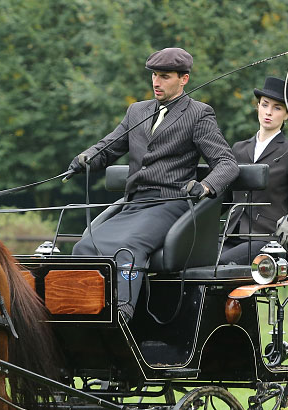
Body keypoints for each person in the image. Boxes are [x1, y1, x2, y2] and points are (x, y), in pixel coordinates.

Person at [67, 47, 239, 321]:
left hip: (170, 204)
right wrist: (86, 158)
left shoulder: (198, 114)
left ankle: (122, 314)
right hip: (134, 204)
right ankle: (79, 309)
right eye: (154, 76)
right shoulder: (137, 111)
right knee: (83, 247)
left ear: (184, 79)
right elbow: (109, 147)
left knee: (127, 247)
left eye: (165, 76)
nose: (156, 82)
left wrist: (204, 187)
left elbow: (227, 164)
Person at [220, 76, 288, 265]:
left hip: (267, 239)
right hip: (231, 235)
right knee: (195, 261)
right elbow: (225, 198)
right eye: (265, 105)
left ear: (287, 115)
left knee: (221, 264)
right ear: (257, 106)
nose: (268, 112)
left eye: (277, 108)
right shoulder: (239, 149)